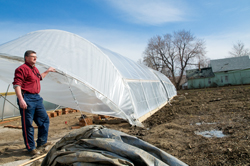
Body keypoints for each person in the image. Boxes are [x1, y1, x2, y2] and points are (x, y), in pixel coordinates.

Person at [12, 50, 55, 155]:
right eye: (32, 56)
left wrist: (48, 71)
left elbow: (39, 78)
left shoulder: (34, 69)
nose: (35, 58)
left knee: (44, 120)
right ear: (26, 58)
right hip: (26, 97)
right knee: (28, 124)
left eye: (36, 57)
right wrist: (21, 99)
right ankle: (31, 148)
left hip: (37, 98)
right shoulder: (21, 69)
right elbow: (17, 85)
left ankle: (42, 142)